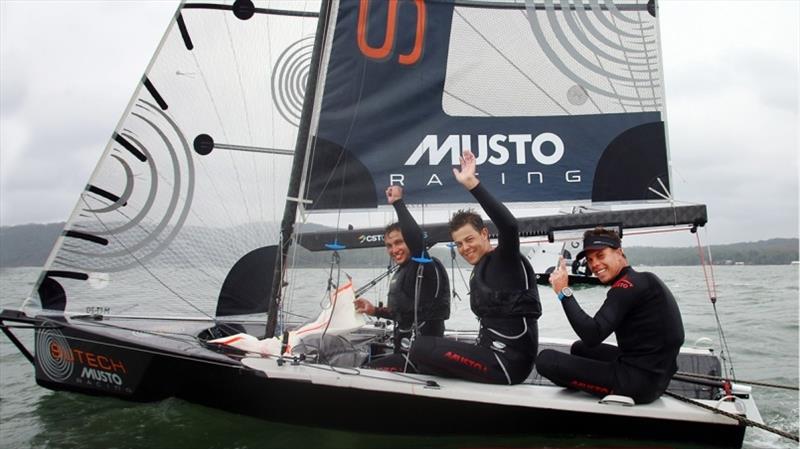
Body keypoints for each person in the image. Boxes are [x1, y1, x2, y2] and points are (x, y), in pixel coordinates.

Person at [406, 150, 541, 384]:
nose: (465, 248)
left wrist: (472, 184)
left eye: (469, 240)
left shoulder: (505, 260)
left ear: (485, 234)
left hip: (508, 363)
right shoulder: (483, 266)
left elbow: (509, 226)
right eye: (458, 243)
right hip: (489, 355)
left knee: (420, 347)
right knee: (419, 360)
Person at [536, 227, 685, 404]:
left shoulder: (625, 287)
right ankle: (586, 379)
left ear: (620, 253)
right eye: (590, 259)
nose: (594, 264)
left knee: (546, 360)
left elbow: (592, 334)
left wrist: (563, 291)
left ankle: (589, 383)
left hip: (637, 385)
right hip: (656, 375)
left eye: (600, 256)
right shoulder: (643, 279)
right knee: (579, 348)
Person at [354, 186, 450, 370]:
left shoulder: (425, 265)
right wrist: (374, 310)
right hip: (403, 354)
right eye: (389, 245)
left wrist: (398, 203)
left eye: (399, 242)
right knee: (362, 363)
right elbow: (404, 312)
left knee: (364, 371)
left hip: (422, 360)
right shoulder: (402, 271)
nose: (394, 249)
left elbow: (416, 241)